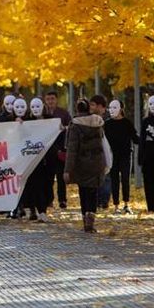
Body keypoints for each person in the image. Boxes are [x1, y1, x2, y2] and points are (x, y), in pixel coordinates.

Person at [63, 99, 107, 233]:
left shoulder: (75, 125)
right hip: (97, 162)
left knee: (84, 192)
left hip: (82, 163)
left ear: (77, 109)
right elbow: (104, 144)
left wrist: (67, 170)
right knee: (93, 192)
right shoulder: (98, 123)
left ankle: (85, 220)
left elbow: (71, 149)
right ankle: (91, 219)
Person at [105, 99, 138, 214]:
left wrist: (146, 139)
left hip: (125, 155)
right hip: (112, 156)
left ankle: (126, 204)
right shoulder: (107, 124)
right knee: (114, 179)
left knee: (125, 178)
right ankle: (116, 205)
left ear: (121, 109)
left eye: (114, 107)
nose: (111, 110)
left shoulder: (127, 123)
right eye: (110, 107)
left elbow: (135, 138)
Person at [44, 91, 71, 209]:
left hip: (60, 149)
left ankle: (62, 200)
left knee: (60, 177)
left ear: (56, 99)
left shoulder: (63, 113)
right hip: (47, 150)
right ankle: (49, 200)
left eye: (52, 99)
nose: (50, 101)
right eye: (48, 99)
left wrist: (64, 128)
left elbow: (71, 127)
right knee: (48, 177)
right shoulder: (42, 113)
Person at [89, 95, 112, 209]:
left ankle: (104, 200)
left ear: (100, 106)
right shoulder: (89, 118)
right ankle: (97, 199)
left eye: (93, 105)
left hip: (105, 150)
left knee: (105, 176)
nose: (91, 107)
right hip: (94, 152)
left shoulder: (108, 119)